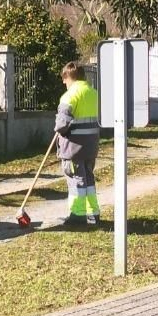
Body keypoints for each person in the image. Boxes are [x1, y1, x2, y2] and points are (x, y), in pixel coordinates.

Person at [54, 61, 101, 227]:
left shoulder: (69, 96)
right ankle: (93, 213)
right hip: (91, 146)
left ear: (68, 76)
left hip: (73, 147)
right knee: (88, 179)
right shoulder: (94, 93)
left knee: (76, 181)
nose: (63, 83)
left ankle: (78, 214)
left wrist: (59, 128)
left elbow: (61, 125)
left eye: (64, 79)